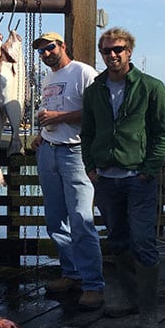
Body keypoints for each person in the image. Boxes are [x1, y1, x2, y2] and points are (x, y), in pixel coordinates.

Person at [81, 27, 165, 328]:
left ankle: (149, 314)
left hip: (139, 181)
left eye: (118, 49)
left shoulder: (151, 87)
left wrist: (149, 169)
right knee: (118, 240)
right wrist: (90, 166)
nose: (113, 55)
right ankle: (131, 298)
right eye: (106, 51)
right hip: (106, 180)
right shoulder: (94, 91)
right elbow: (88, 133)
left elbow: (162, 135)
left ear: (129, 51)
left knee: (144, 242)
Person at [31, 32, 104, 310]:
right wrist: (41, 133)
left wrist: (58, 118)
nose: (46, 54)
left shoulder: (83, 72)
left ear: (62, 45)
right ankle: (71, 272)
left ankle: (93, 285)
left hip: (75, 153)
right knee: (55, 220)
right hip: (48, 150)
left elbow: (97, 111)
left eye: (50, 48)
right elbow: (48, 112)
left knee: (81, 220)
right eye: (41, 52)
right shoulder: (48, 78)